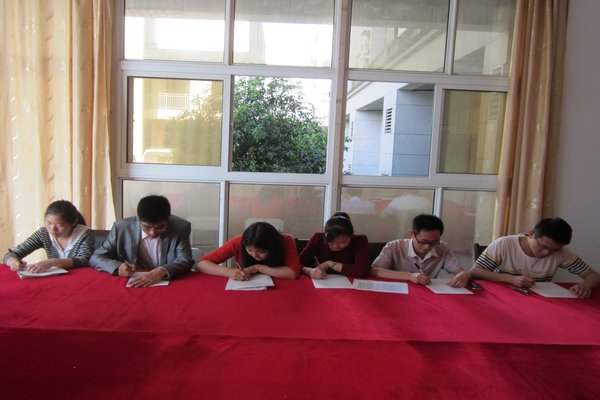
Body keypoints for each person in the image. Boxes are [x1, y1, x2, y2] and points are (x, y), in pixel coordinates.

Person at [469, 217, 600, 298]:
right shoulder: (505, 244)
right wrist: (511, 279)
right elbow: (475, 272)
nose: (546, 253)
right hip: (503, 297)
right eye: (543, 246)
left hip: (539, 301)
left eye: (554, 250)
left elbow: (593, 276)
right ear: (531, 234)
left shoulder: (561, 252)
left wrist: (585, 285)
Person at [90, 195, 194, 287]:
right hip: (134, 283)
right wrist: (118, 267)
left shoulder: (180, 227)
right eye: (147, 227)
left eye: (160, 227)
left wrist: (163, 271)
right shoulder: (121, 228)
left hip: (168, 283)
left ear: (168, 220)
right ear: (138, 220)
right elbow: (96, 257)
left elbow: (185, 260)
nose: (153, 233)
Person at [371, 214, 470, 287]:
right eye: (423, 241)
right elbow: (375, 271)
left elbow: (459, 271)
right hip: (398, 293)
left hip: (427, 295)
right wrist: (409, 276)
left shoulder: (442, 248)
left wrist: (464, 274)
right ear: (412, 234)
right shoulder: (394, 247)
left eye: (434, 242)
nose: (427, 247)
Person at [3, 200, 93, 272]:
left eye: (59, 225)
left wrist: (52, 262)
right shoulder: (44, 234)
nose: (52, 229)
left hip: (81, 279)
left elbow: (84, 260)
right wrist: (13, 262)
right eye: (49, 223)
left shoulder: (85, 234)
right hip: (56, 280)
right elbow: (11, 254)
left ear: (73, 222)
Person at [198, 221, 300, 280]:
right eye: (250, 250)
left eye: (261, 252)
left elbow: (292, 273)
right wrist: (228, 272)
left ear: (272, 247)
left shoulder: (285, 241)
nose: (254, 255)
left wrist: (257, 267)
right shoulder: (238, 242)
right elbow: (202, 264)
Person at [299, 212, 370, 279]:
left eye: (342, 242)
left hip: (350, 283)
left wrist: (330, 264)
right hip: (321, 282)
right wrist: (309, 271)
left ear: (351, 235)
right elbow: (298, 264)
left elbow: (363, 271)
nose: (335, 246)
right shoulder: (318, 238)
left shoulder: (359, 241)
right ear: (325, 235)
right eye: (331, 241)